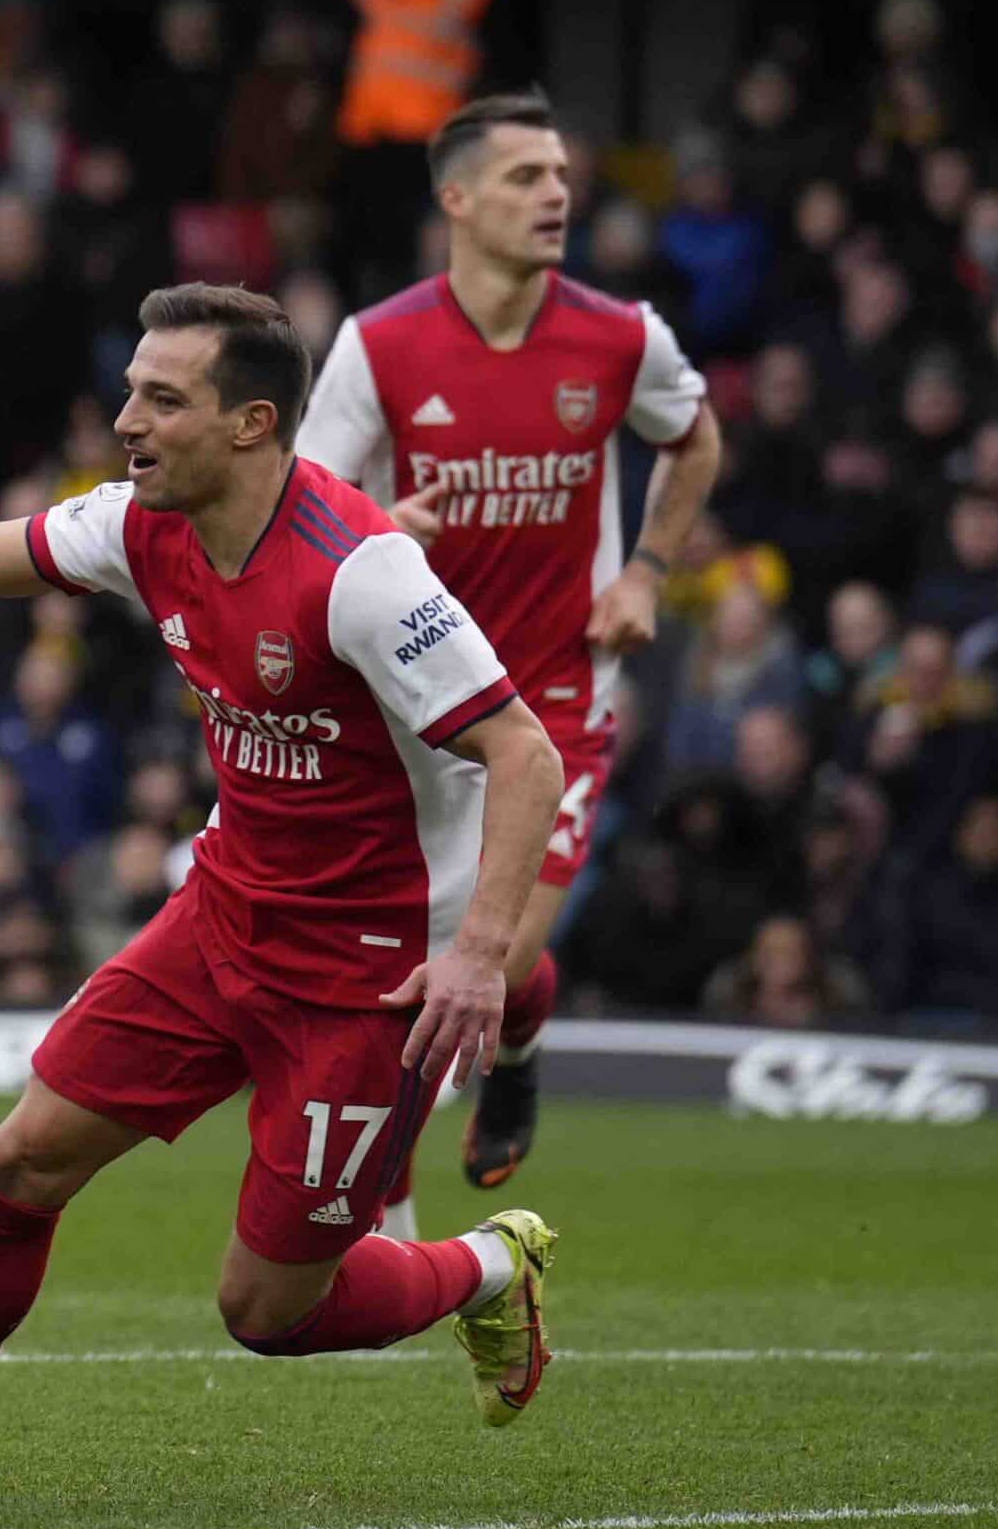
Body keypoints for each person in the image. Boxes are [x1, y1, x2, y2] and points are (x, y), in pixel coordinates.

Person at [0, 284, 567, 1496]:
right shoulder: (142, 523)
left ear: (252, 424)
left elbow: (524, 753)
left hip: (364, 974)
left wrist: (480, 954)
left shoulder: (363, 574)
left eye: (162, 399)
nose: (127, 420)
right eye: (130, 390)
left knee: (266, 1309)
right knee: (21, 1159)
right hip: (221, 916)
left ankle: (486, 1266)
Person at [296, 89, 720, 1223]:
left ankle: (381, 1225)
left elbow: (696, 436)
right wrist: (384, 523)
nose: (555, 197)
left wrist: (645, 571)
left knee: (472, 951)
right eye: (527, 177)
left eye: (562, 178)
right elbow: (302, 505)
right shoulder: (378, 344)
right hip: (415, 705)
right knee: (457, 959)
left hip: (560, 701)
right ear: (457, 198)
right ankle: (524, 1029)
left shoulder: (622, 336)